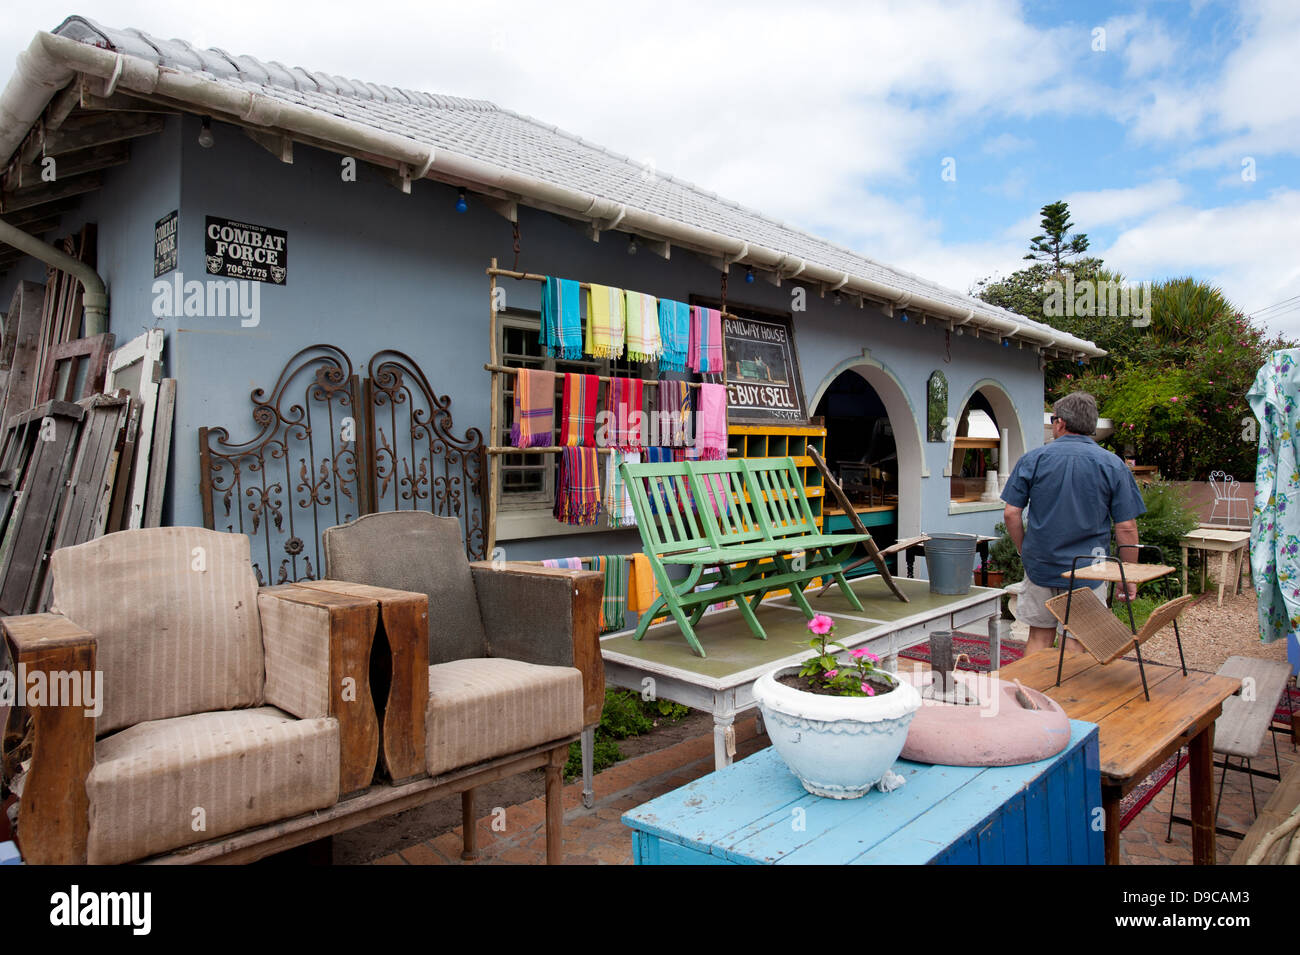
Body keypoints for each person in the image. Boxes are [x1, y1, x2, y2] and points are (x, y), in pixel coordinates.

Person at [1001, 392, 1146, 655]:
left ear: (1061, 423)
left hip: (1041, 566)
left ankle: (1033, 694)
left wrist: (1025, 550)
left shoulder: (1034, 460)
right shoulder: (1113, 465)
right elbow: (1126, 527)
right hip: (1090, 568)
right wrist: (1128, 575)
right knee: (1077, 639)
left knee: (1039, 637)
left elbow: (1011, 513)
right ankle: (1066, 696)